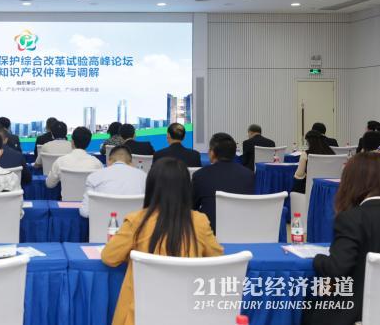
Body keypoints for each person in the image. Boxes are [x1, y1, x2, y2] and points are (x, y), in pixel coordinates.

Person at [101, 157, 223, 325]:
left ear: (151, 187)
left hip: (139, 316)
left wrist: (130, 254)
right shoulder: (199, 221)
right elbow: (217, 259)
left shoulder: (137, 221)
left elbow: (109, 257)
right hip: (187, 314)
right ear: (186, 188)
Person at [303, 152, 380, 325]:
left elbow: (336, 268)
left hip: (354, 312)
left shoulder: (352, 219)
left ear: (353, 182)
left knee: (305, 304)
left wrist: (317, 259)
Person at [192, 133, 255, 231]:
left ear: (212, 153)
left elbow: (192, 206)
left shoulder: (200, 175)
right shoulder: (249, 175)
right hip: (241, 230)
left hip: (210, 232)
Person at [80, 146, 146, 218]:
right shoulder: (144, 176)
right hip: (136, 224)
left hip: (101, 224)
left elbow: (85, 212)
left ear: (108, 161)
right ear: (131, 163)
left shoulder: (93, 177)